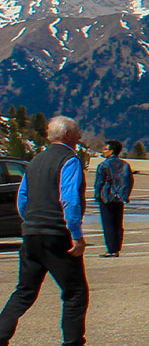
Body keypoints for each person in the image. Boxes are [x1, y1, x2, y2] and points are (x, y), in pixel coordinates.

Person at [0, 116, 90, 346]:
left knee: (24, 291)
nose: (80, 136)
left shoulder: (35, 161)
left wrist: (30, 222)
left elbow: (22, 198)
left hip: (31, 233)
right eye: (77, 132)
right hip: (57, 234)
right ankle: (72, 342)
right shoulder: (69, 160)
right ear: (68, 135)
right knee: (75, 292)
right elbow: (69, 200)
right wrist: (77, 236)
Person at [93, 140, 132, 257]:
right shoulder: (125, 165)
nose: (103, 151)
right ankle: (117, 246)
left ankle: (111, 249)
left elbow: (99, 182)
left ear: (112, 151)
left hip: (107, 196)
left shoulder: (103, 165)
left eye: (105, 149)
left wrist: (97, 195)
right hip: (120, 198)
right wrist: (124, 195)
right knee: (118, 223)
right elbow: (128, 181)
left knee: (108, 223)